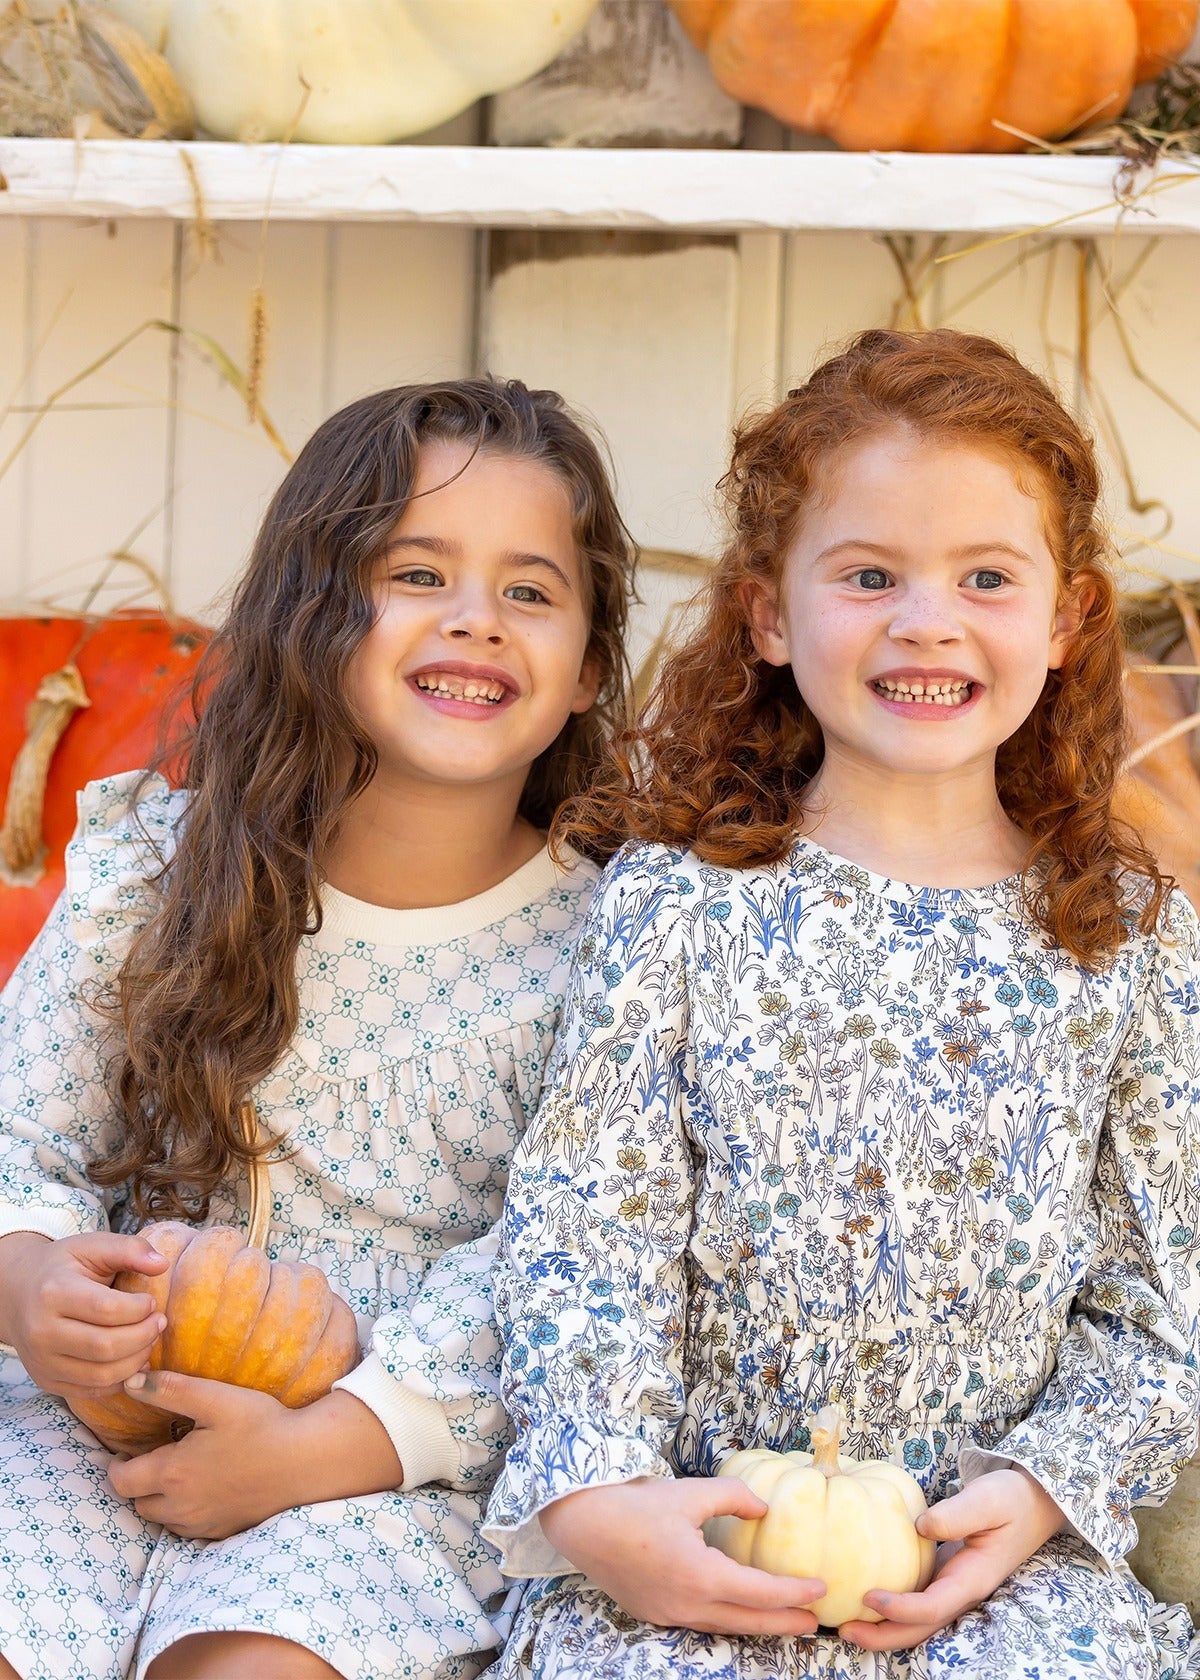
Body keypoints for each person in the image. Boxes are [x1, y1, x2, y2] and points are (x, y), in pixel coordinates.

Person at [482, 328, 1200, 1679]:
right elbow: (590, 1237)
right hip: (703, 1546)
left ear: (1066, 618)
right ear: (766, 614)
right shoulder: (680, 908)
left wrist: (1044, 1487)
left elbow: (1163, 1287)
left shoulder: (1128, 938)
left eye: (986, 577)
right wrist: (601, 1502)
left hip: (988, 1576)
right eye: (868, 575)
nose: (926, 620)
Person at [0, 376, 634, 1680]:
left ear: (585, 673)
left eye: (530, 591)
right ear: (308, 618)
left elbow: (560, 1266)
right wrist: (33, 1289)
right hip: (90, 1407)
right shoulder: (156, 870)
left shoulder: (613, 953)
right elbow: (23, 1130)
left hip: (384, 1459)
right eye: (416, 571)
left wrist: (331, 1444)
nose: (476, 618)